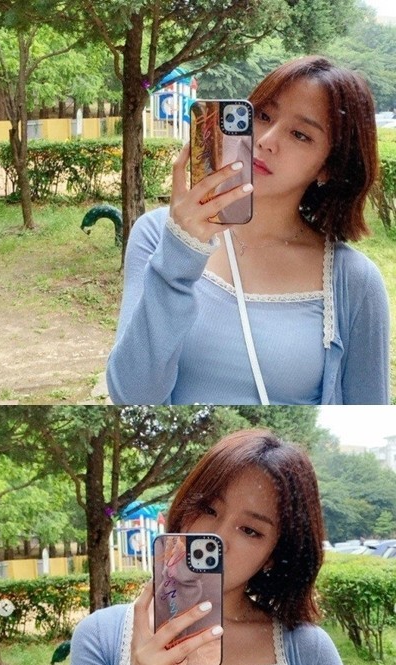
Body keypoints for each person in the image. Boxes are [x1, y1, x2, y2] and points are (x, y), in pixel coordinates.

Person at [70, 428, 364, 665]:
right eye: (208, 508)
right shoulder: (101, 638)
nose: (217, 538)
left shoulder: (306, 650)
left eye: (250, 530)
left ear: (273, 555)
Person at [106, 55, 390, 407]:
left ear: (328, 166)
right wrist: (180, 253)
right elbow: (132, 396)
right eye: (263, 115)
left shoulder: (355, 282)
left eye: (300, 134)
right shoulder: (156, 234)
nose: (266, 139)